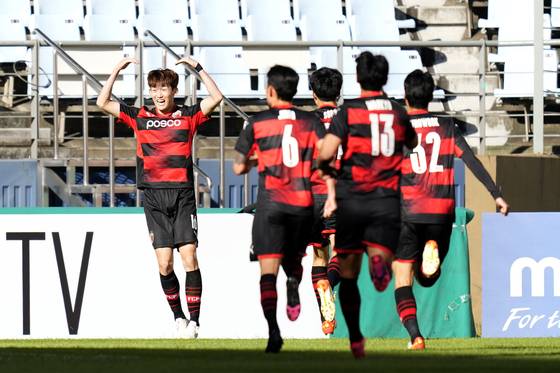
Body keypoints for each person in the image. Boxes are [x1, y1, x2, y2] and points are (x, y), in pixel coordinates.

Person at [96, 56, 223, 338]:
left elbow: (217, 97)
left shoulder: (188, 115)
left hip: (182, 195)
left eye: (164, 89)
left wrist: (198, 68)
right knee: (165, 263)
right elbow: (102, 102)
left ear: (174, 91)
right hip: (153, 197)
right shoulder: (140, 116)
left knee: (189, 257)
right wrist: (116, 69)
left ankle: (195, 321)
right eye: (154, 89)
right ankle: (178, 316)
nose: (159, 94)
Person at [393, 69, 510, 350]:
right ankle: (430, 252)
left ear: (405, 97)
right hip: (441, 213)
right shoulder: (447, 127)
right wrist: (497, 195)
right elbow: (472, 161)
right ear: (431, 96)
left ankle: (415, 336)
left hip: (408, 211)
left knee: (403, 278)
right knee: (428, 278)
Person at [318, 52, 416, 358]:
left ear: (358, 78)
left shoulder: (349, 112)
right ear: (385, 79)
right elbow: (411, 143)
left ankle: (356, 338)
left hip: (354, 197)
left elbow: (327, 153)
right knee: (385, 256)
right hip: (387, 200)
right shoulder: (398, 112)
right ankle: (380, 263)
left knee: (347, 274)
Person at [233, 65, 328, 353]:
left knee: (266, 273)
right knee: (295, 261)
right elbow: (326, 160)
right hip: (302, 205)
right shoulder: (311, 122)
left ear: (270, 91)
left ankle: (274, 331)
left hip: (271, 204)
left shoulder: (257, 122)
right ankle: (294, 280)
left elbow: (238, 167)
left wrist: (256, 162)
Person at [308, 67, 342, 335]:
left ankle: (326, 320)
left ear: (313, 95)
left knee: (319, 256)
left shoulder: (305, 123)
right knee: (341, 252)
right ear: (339, 94)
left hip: (313, 195)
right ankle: (329, 285)